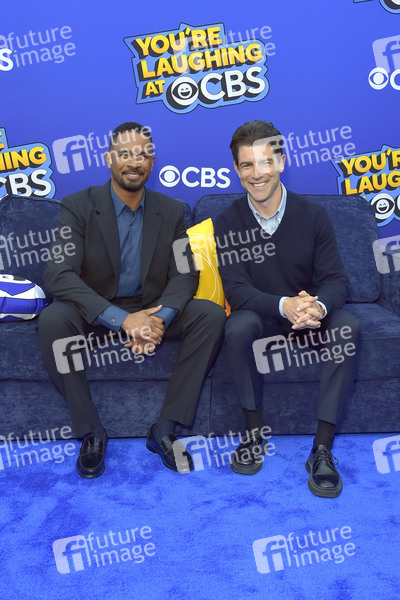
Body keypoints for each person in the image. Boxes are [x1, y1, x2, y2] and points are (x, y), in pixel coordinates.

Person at [38, 121, 225, 478]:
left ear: (152, 162)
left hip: (151, 308)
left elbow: (186, 273)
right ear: (109, 159)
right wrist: (124, 321)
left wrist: (158, 320)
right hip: (95, 311)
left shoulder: (172, 211)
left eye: (142, 155)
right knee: (52, 320)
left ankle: (165, 429)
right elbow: (59, 274)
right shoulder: (77, 206)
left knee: (210, 314)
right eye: (124, 154)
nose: (134, 162)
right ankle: (92, 433)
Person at [213, 120, 361, 497]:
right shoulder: (227, 221)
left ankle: (322, 448)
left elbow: (336, 280)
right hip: (264, 317)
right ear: (237, 169)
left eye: (266, 162)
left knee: (348, 326)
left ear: (281, 162)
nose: (257, 173)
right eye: (247, 165)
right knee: (237, 326)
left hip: (310, 320)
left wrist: (317, 308)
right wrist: (285, 306)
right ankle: (253, 435)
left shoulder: (313, 215)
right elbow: (237, 290)